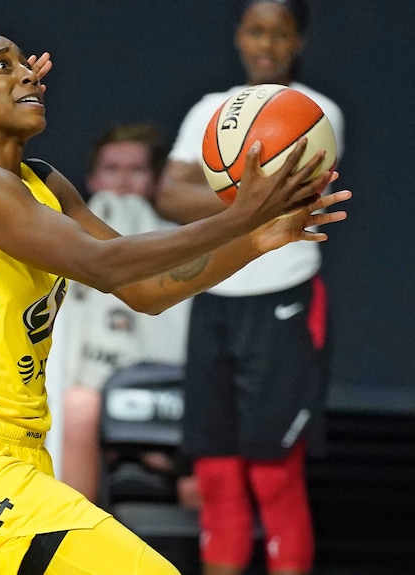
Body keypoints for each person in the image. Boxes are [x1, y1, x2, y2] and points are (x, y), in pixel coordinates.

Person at [0, 31, 349, 575]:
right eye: (4, 66)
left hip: (21, 453)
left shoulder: (44, 184)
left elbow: (144, 291)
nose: (30, 73)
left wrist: (253, 241)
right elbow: (104, 264)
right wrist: (237, 217)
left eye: (24, 64)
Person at [155, 1, 345, 574]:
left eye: (279, 34)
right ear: (239, 35)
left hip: (284, 302)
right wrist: (251, 202)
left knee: (272, 472)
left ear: (298, 42)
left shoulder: (315, 110)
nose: (266, 44)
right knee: (214, 471)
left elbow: (297, 199)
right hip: (215, 297)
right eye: (256, 30)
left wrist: (221, 195)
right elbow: (168, 196)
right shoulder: (209, 111)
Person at [59, 123, 192, 503]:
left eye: (136, 170)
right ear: (92, 178)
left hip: (169, 384)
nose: (122, 182)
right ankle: (75, 544)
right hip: (81, 391)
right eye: (111, 169)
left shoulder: (184, 244)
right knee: (79, 407)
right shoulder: (58, 242)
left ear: (155, 179)